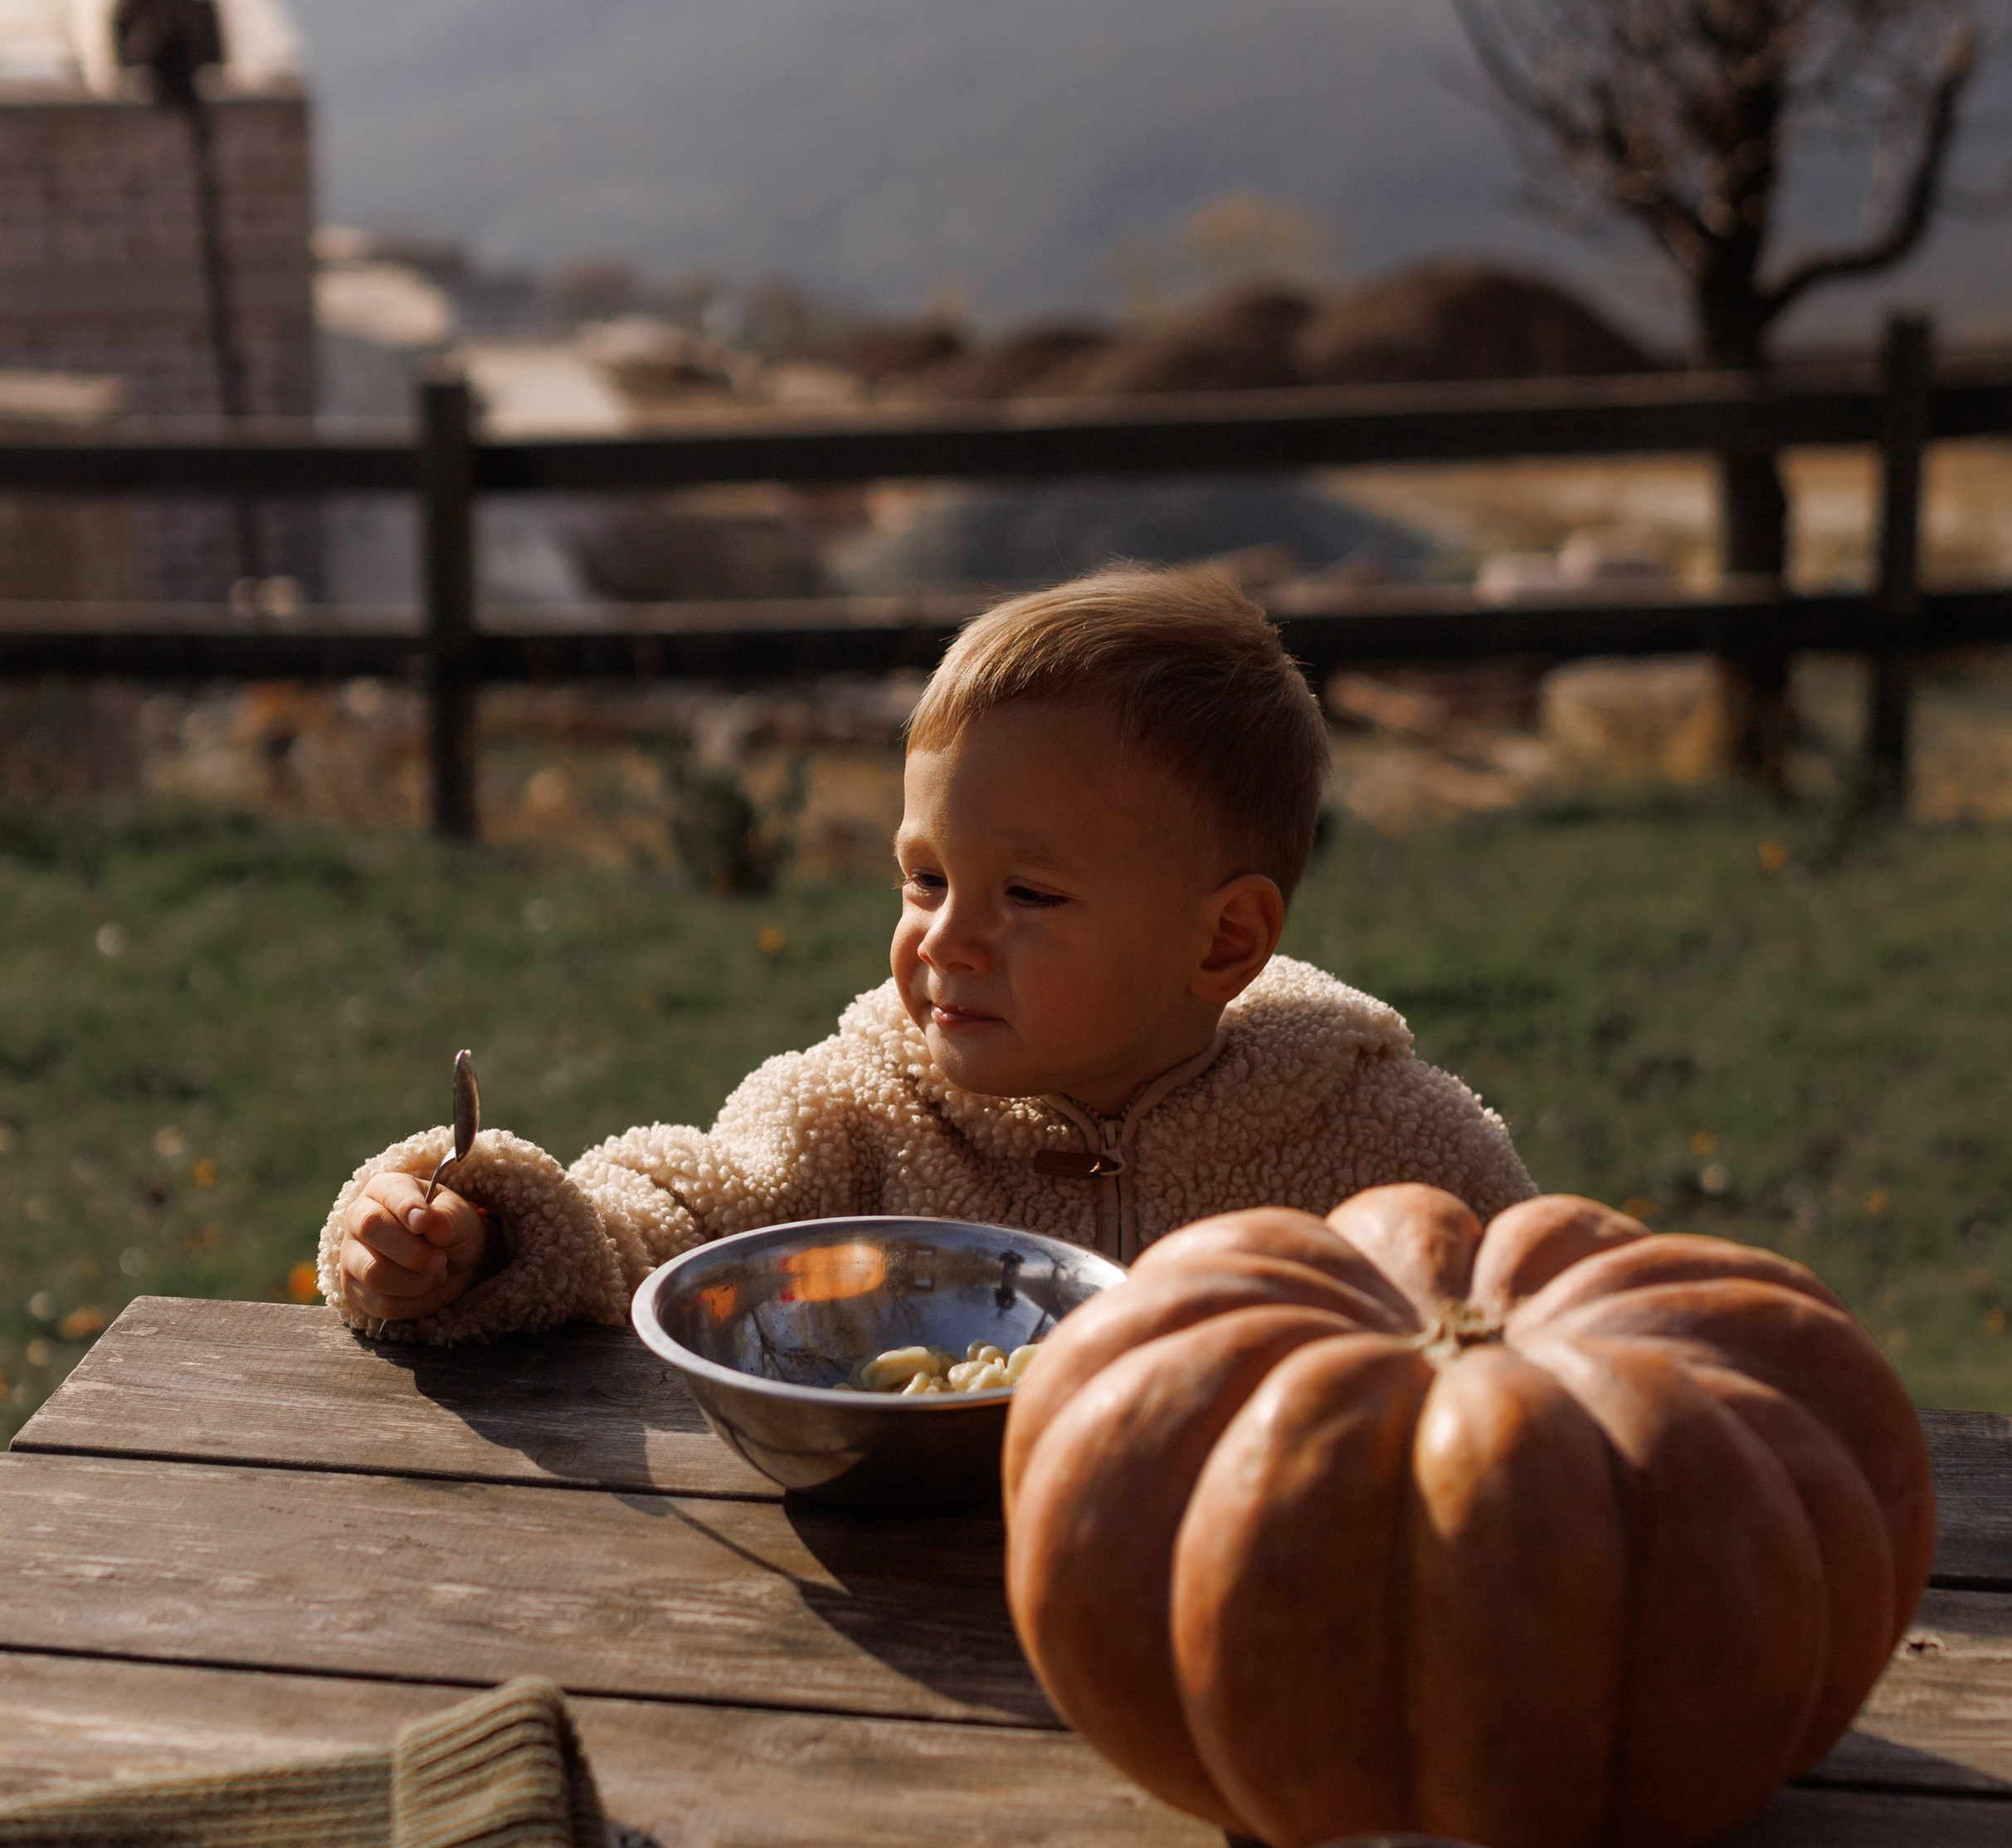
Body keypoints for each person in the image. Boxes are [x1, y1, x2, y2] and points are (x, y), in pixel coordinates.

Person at [321, 567, 1535, 1341]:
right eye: (926, 878)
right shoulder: (864, 1113)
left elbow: (1547, 1326)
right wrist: (485, 1236)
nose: (946, 936)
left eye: (1028, 893)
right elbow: (666, 1216)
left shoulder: (1383, 1143)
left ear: (1224, 940)